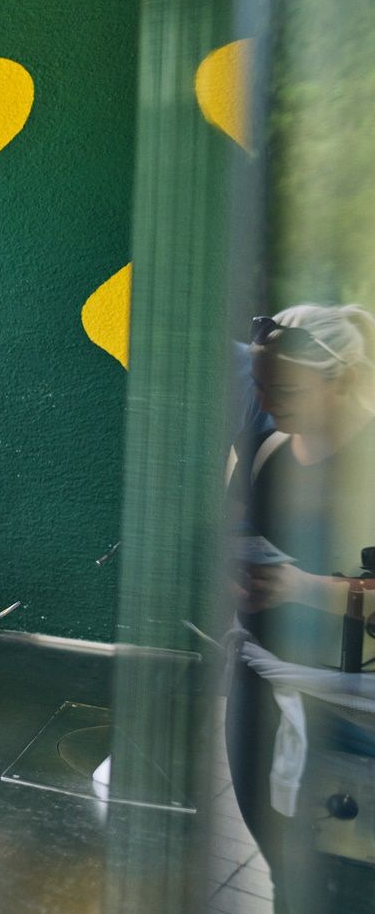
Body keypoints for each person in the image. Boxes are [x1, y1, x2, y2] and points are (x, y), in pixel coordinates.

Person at [227, 304, 375, 909]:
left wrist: (302, 587)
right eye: (260, 386)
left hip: (349, 707)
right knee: (282, 864)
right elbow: (233, 528)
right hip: (260, 683)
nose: (266, 402)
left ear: (344, 380)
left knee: (343, 880)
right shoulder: (265, 447)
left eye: (285, 391)